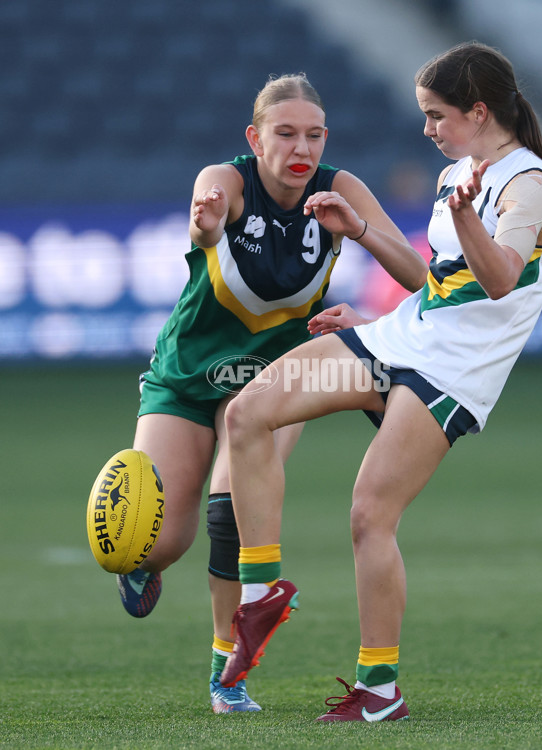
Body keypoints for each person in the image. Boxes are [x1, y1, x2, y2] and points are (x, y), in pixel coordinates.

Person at [219, 42, 542, 721]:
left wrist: (468, 214)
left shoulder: (528, 184)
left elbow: (499, 281)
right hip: (405, 334)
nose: (428, 130)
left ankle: (380, 691)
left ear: (478, 111)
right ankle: (261, 593)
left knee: (369, 516)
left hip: (454, 370)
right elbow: (439, 284)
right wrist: (363, 250)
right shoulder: (460, 176)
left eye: (437, 116)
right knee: (248, 412)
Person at [114, 72, 427, 714]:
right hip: (186, 374)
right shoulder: (226, 181)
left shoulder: (339, 189)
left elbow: (421, 276)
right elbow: (206, 224)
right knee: (162, 539)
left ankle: (225, 675)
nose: (300, 147)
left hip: (272, 382)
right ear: (255, 139)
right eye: (284, 134)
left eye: (313, 134)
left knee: (230, 512)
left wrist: (362, 232)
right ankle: (142, 562)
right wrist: (204, 227)